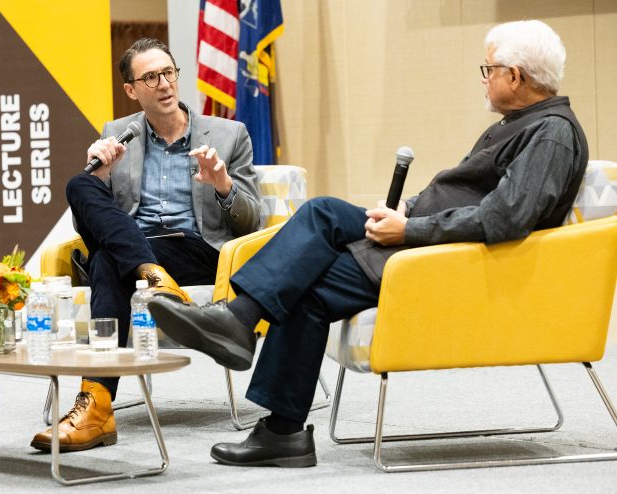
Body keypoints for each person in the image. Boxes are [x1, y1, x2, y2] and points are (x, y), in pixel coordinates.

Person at [148, 20, 588, 468]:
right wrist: (401, 212)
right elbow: (466, 194)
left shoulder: (550, 134)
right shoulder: (521, 124)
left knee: (308, 281)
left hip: (444, 261)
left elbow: (505, 218)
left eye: (489, 68)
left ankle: (268, 395)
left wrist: (409, 230)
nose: (484, 78)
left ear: (515, 76)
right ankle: (243, 335)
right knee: (321, 216)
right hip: (425, 242)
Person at [30, 38, 261, 452]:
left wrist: (222, 185)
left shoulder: (229, 134)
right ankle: (151, 278)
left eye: (168, 73)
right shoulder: (118, 134)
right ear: (132, 90)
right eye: (150, 77)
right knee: (81, 188)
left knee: (107, 260)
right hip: (137, 252)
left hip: (197, 250)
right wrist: (101, 176)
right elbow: (90, 222)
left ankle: (96, 407)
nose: (164, 84)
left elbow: (251, 222)